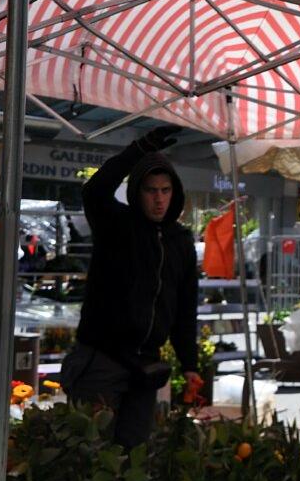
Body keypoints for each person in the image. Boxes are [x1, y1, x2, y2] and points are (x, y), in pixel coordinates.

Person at [60, 125, 202, 450]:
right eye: (151, 190)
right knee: (89, 456)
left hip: (146, 366)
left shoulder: (180, 241)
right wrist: (139, 149)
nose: (159, 198)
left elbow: (184, 308)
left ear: (175, 192)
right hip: (102, 358)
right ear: (137, 192)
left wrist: (190, 364)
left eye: (165, 190)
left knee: (133, 458)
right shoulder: (116, 225)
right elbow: (94, 191)